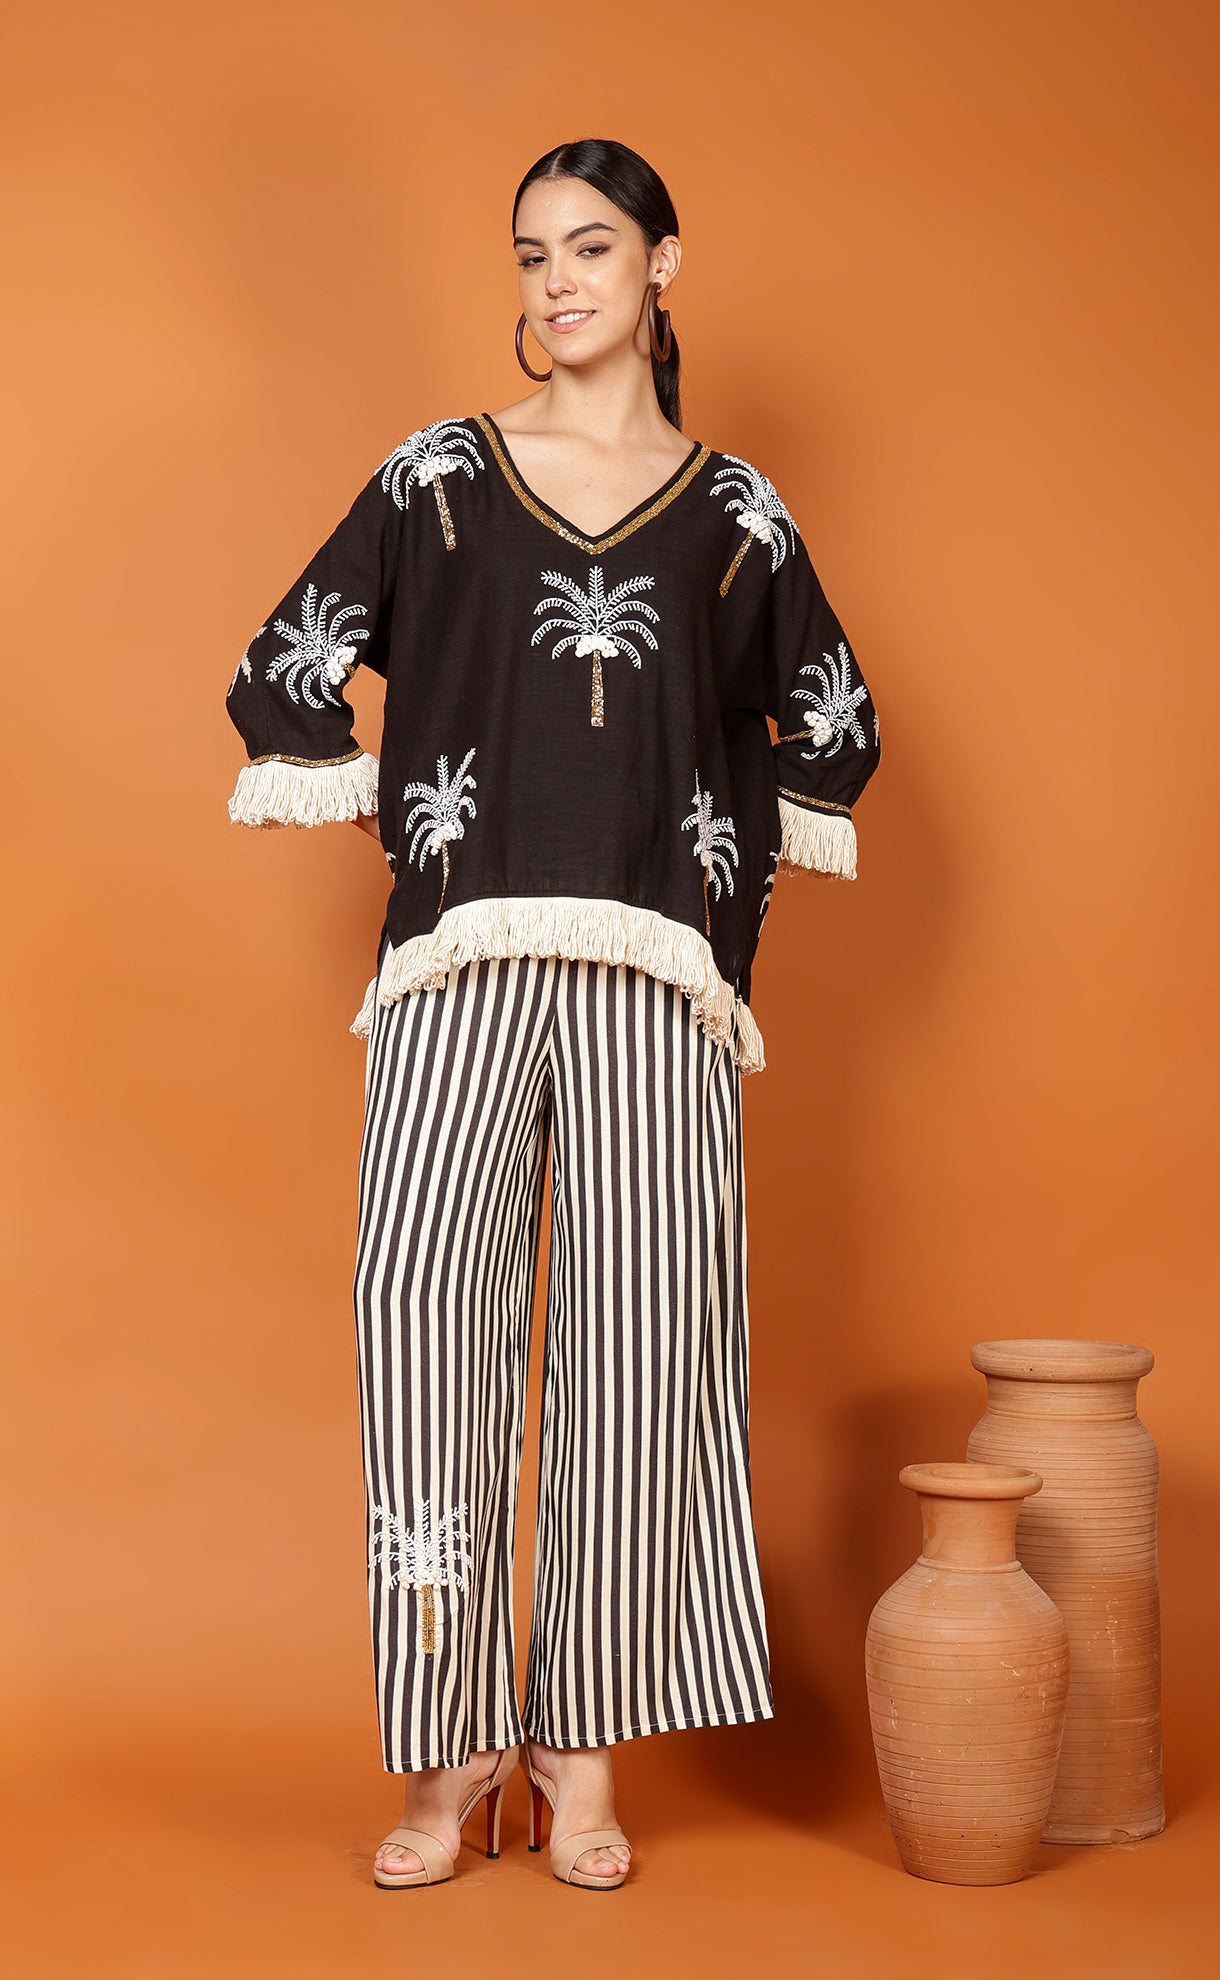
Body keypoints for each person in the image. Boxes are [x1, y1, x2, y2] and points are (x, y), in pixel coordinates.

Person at [224, 137, 882, 1892]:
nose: (558, 281)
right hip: (457, 977)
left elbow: (832, 723)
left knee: (641, 1359)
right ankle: (450, 1756)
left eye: (592, 247)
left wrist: (707, 884)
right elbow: (286, 669)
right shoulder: (438, 479)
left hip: (654, 988)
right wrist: (430, 817)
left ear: (665, 264)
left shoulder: (737, 517)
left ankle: (581, 1764)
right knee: (422, 1325)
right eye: (532, 255)